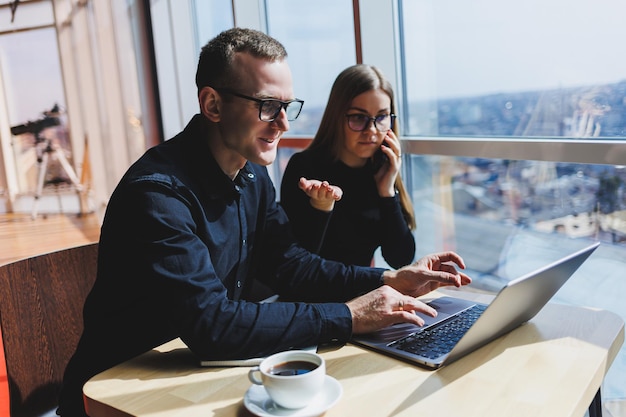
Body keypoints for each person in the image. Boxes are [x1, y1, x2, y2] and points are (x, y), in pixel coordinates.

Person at [58, 28, 471, 416]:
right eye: (268, 106)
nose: (284, 124)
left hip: (192, 374)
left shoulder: (252, 176)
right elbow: (212, 324)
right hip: (118, 393)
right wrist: (350, 315)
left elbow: (291, 266)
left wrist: (387, 281)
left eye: (287, 106)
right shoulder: (156, 195)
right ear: (213, 104)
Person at [280, 64, 415, 269]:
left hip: (361, 294)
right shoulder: (305, 169)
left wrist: (387, 192)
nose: (371, 131)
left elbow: (400, 259)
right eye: (359, 118)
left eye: (381, 117)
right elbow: (296, 263)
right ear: (337, 117)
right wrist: (320, 208)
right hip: (313, 298)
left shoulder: (382, 170)